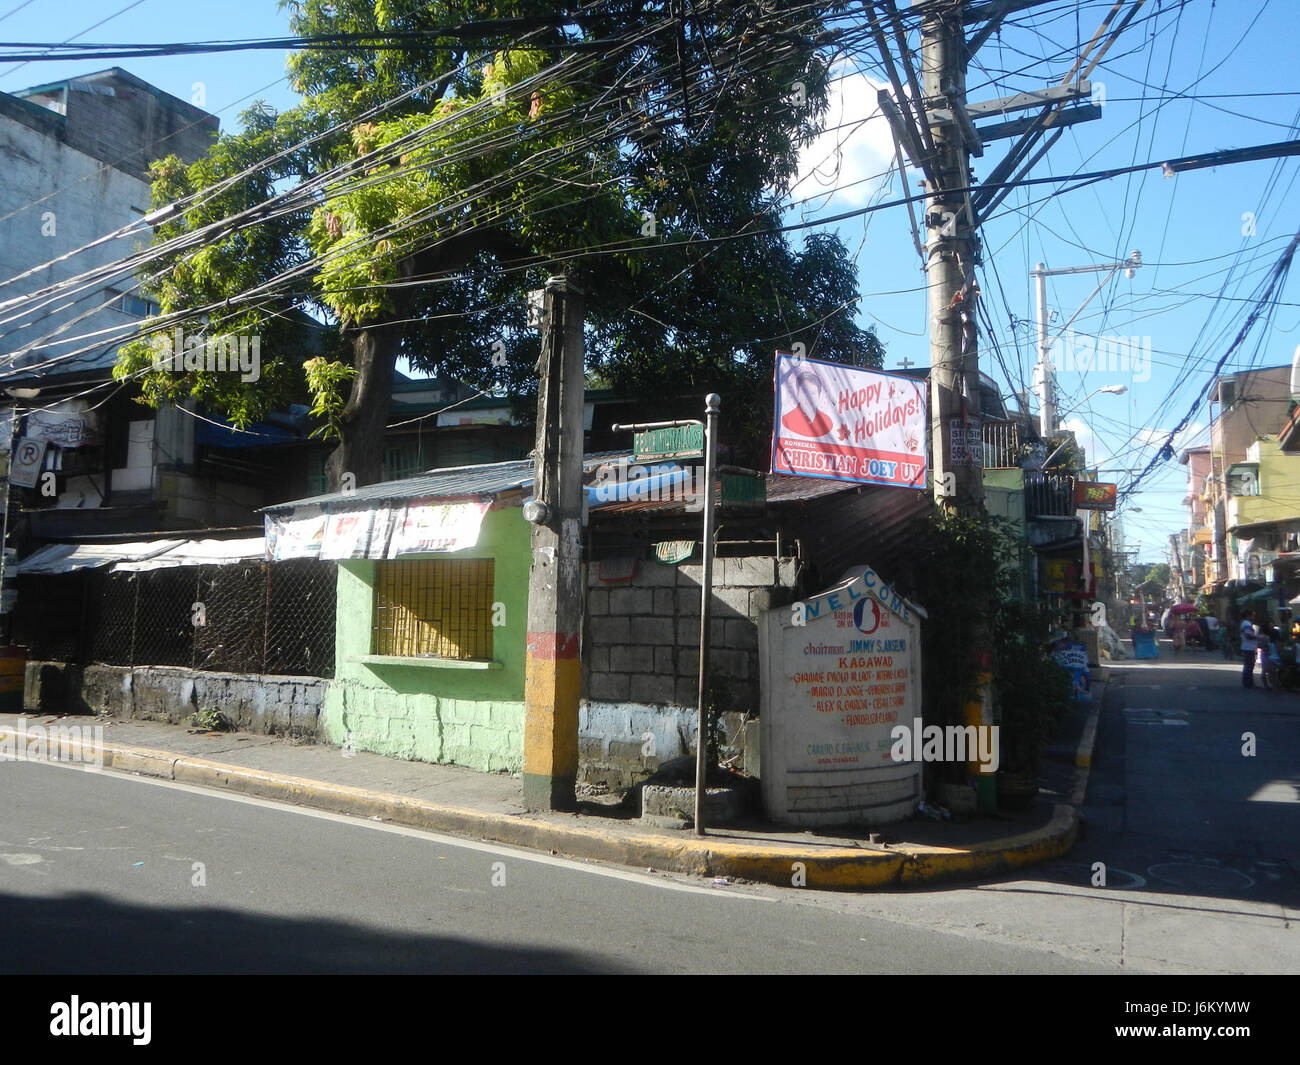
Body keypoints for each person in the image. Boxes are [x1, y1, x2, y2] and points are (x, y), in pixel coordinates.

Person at [1240, 611, 1258, 688]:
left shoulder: (1245, 623)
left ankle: (1248, 682)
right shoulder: (1246, 624)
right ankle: (1248, 683)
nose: (1254, 617)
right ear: (1248, 616)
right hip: (1248, 647)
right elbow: (1248, 635)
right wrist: (1258, 637)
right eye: (1252, 615)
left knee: (1248, 666)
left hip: (1248, 647)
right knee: (1249, 666)